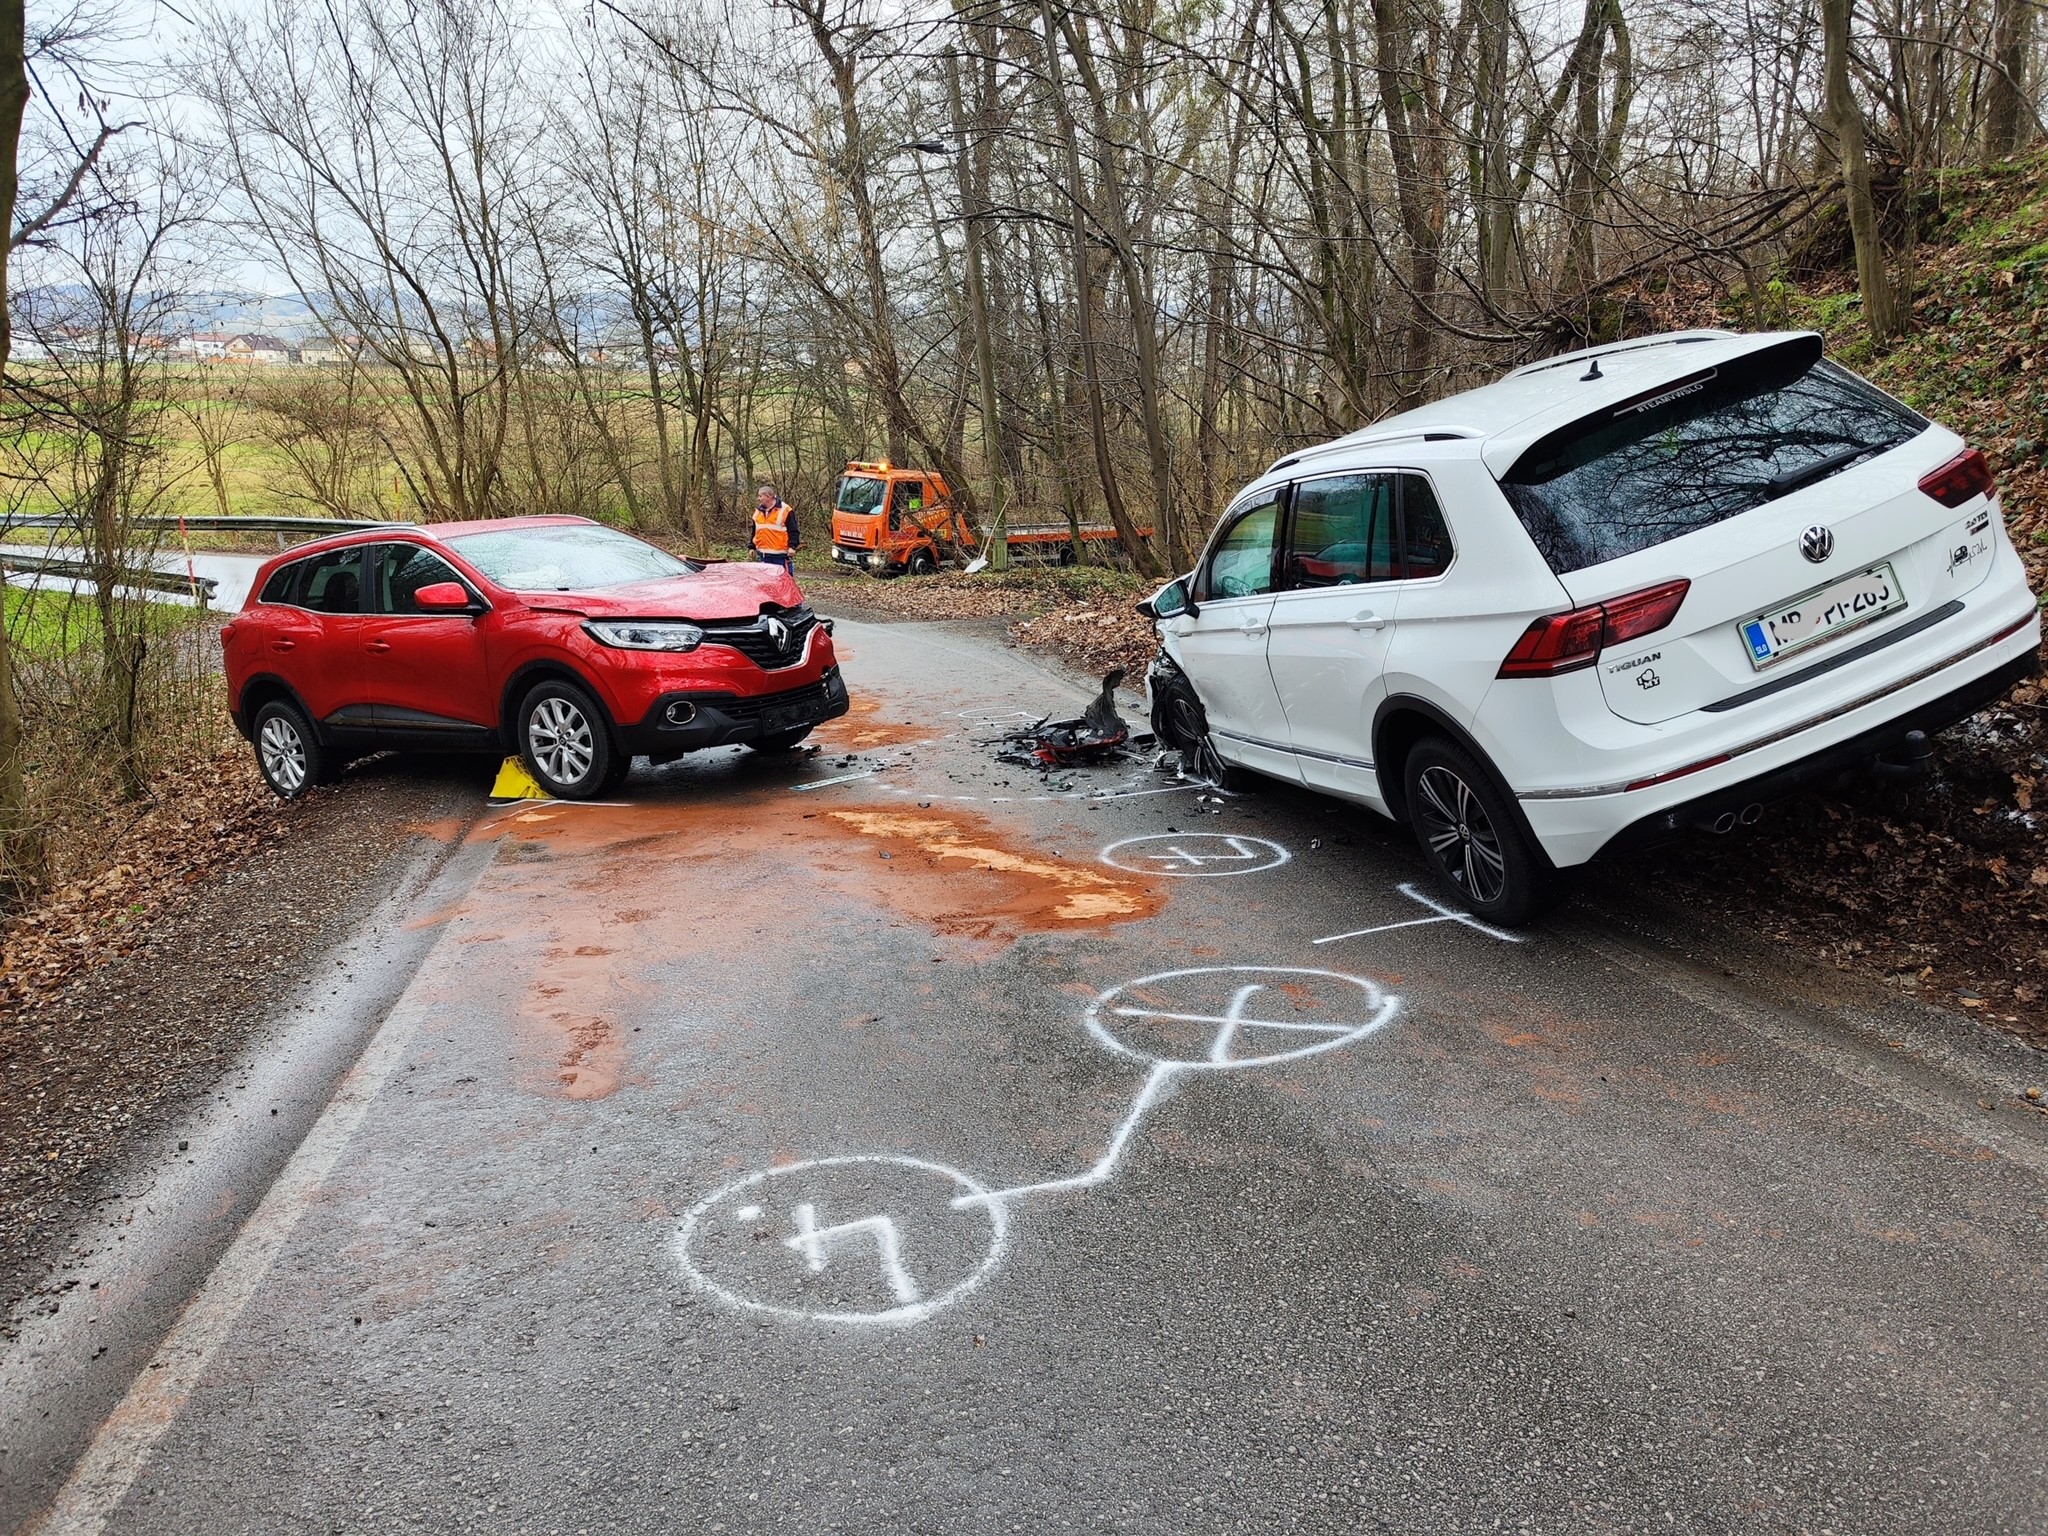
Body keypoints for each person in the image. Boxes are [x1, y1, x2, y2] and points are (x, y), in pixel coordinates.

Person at [751, 484, 795, 573]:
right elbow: (755, 531)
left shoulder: (785, 510)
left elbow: (793, 530)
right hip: (763, 554)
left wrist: (792, 546)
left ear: (768, 496)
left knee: (783, 581)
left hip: (780, 555)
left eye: (760, 496)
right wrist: (751, 547)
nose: (758, 498)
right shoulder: (758, 512)